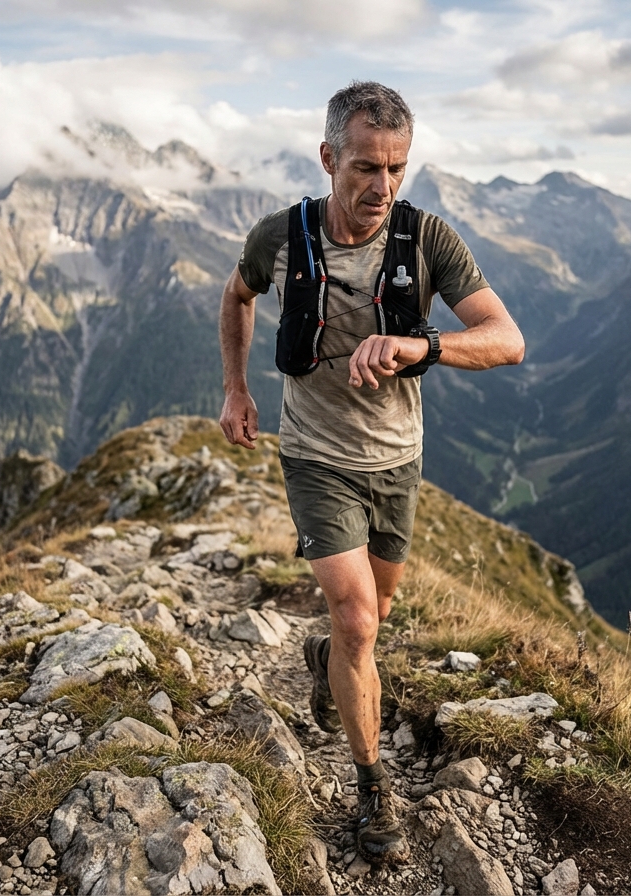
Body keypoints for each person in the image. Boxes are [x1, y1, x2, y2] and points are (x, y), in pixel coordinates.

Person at [218, 80, 524, 865]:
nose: (381, 187)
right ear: (328, 159)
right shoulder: (280, 239)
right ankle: (371, 787)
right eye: (364, 168)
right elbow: (238, 295)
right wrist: (237, 389)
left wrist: (423, 346)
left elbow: (506, 339)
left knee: (371, 618)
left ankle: (328, 662)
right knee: (356, 618)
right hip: (316, 457)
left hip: (397, 463)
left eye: (395, 169)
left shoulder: (427, 240)